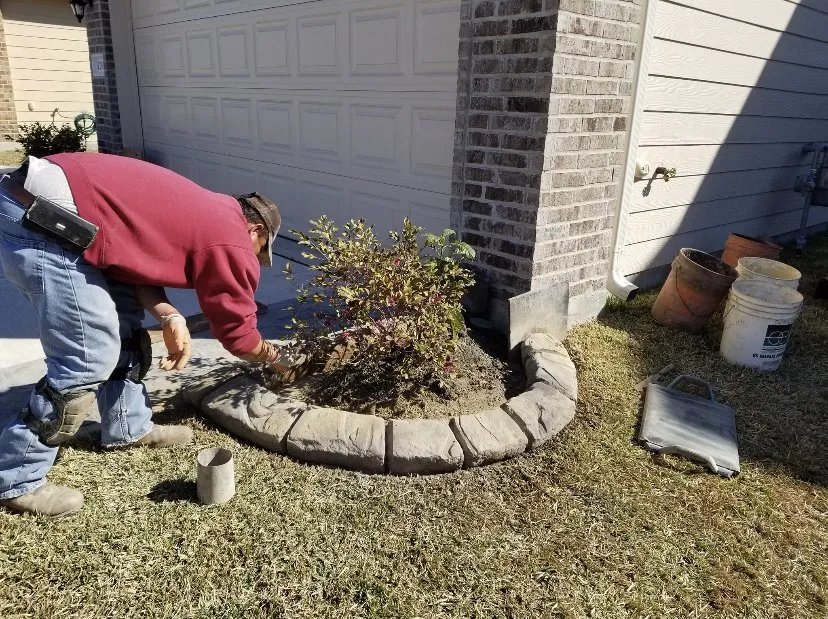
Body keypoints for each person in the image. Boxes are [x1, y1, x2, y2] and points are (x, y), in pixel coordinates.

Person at [0, 153, 289, 517]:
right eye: (260, 252)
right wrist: (275, 357)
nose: (254, 258)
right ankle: (16, 478)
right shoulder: (231, 237)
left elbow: (134, 262)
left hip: (62, 214)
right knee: (89, 355)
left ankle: (127, 427)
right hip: (43, 219)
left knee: (125, 330)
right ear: (256, 231)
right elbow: (238, 337)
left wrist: (170, 316)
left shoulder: (208, 211)